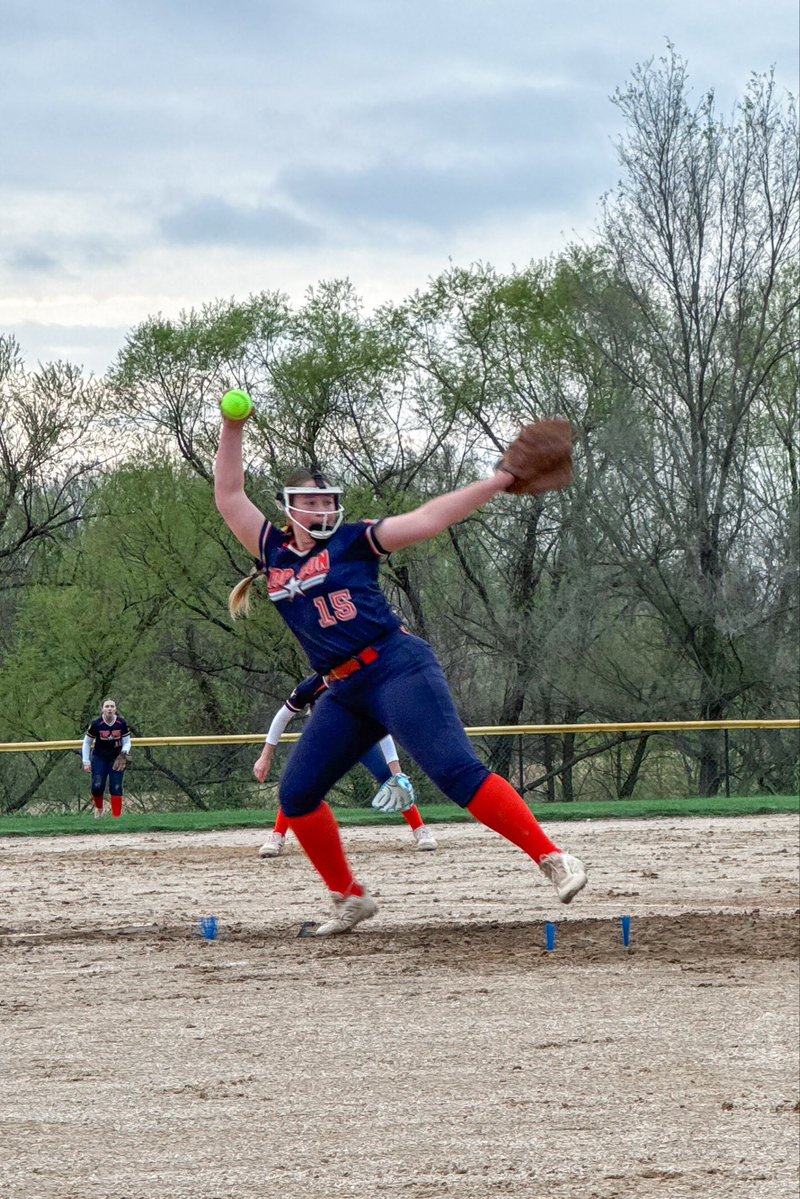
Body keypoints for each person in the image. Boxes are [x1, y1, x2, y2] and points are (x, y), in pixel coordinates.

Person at [214, 409, 587, 936]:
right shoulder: (272, 549)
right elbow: (229, 494)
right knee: (296, 795)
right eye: (312, 502)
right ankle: (349, 897)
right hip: (342, 689)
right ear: (289, 509)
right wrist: (235, 427)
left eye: (329, 501)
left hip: (395, 668)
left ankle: (553, 859)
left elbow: (429, 518)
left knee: (456, 773)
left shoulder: (353, 541)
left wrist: (500, 480)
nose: (323, 510)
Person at [254, 672, 438, 857]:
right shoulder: (311, 686)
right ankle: (277, 835)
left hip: (359, 740)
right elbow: (282, 717)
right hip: (324, 742)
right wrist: (265, 756)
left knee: (390, 779)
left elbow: (380, 726)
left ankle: (420, 830)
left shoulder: (359, 682)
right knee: (296, 785)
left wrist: (395, 768)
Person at [82, 698, 131, 818]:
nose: (109, 709)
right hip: (99, 757)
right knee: (97, 786)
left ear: (115, 709)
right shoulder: (96, 724)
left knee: (116, 786)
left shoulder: (121, 723)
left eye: (112, 706)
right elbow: (87, 743)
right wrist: (86, 761)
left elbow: (127, 742)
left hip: (116, 758)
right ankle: (99, 809)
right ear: (102, 709)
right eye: (107, 706)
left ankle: (116, 817)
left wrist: (123, 754)